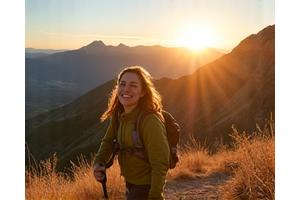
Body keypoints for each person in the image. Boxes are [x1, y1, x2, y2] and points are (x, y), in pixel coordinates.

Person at [93, 66, 170, 200]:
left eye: (133, 85)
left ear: (143, 92)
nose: (126, 89)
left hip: (146, 185)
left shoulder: (150, 122)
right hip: (131, 182)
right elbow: (108, 141)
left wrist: (155, 196)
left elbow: (160, 163)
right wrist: (99, 162)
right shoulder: (119, 116)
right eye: (122, 84)